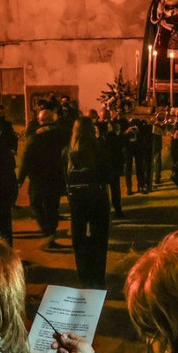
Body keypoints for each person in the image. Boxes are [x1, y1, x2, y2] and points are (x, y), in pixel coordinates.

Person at [65, 118, 112, 289]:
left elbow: (65, 176)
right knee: (99, 237)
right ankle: (98, 277)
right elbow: (109, 174)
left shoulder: (69, 152)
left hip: (77, 197)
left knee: (79, 237)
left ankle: (84, 276)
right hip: (98, 195)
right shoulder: (99, 148)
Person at [18, 109, 68, 245]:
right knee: (52, 206)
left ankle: (47, 231)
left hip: (38, 178)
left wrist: (20, 179)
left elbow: (26, 158)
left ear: (40, 121)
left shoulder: (35, 137)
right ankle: (51, 231)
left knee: (36, 204)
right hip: (56, 177)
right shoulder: (62, 135)